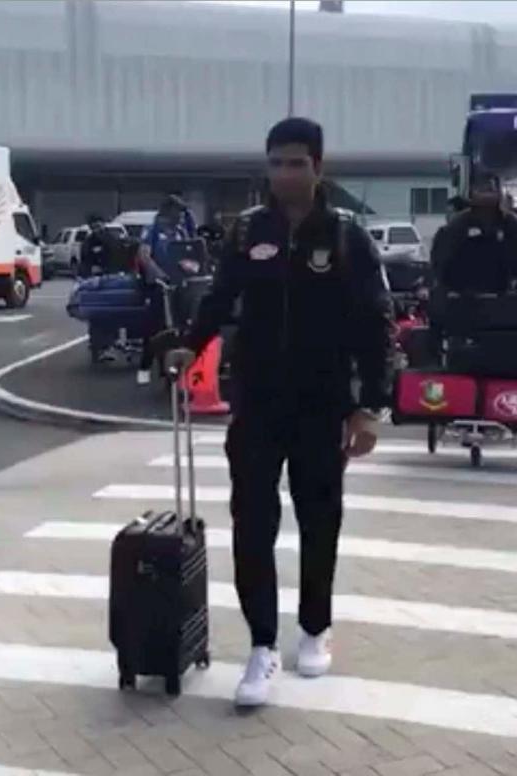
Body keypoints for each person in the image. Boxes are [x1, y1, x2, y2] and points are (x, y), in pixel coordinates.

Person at [166, 117, 394, 707]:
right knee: (253, 523)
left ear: (319, 167)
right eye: (275, 162)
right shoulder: (248, 233)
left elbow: (376, 326)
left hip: (323, 407)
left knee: (320, 522)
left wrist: (369, 407)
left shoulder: (346, 236)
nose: (285, 173)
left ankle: (314, 628)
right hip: (258, 402)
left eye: (296, 162)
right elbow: (219, 298)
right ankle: (262, 647)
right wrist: (191, 339)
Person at [430, 171, 517, 295]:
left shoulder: (511, 224)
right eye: (482, 189)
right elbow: (441, 260)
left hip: (504, 298)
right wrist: (449, 288)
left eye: (490, 189)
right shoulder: (459, 224)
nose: (486, 194)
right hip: (464, 300)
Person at [134, 197, 197, 385]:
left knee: (181, 327)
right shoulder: (152, 230)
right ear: (168, 211)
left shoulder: (180, 231)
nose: (180, 216)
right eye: (178, 212)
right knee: (154, 329)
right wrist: (159, 275)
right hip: (158, 286)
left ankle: (173, 370)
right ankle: (144, 368)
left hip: (179, 286)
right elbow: (144, 256)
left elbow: (190, 253)